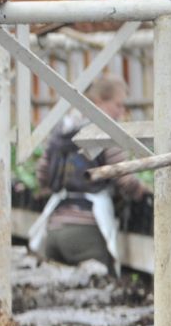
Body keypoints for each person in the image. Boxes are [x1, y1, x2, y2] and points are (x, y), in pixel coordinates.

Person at [28, 75, 149, 270]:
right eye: (118, 105)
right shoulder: (105, 131)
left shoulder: (63, 129)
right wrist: (143, 190)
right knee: (101, 292)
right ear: (99, 102)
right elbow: (124, 177)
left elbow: (42, 174)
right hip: (86, 233)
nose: (122, 111)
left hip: (53, 231)